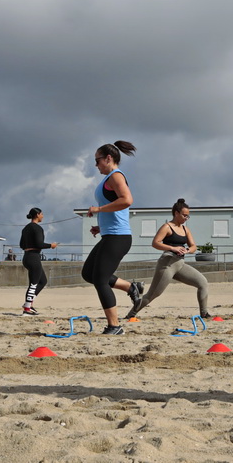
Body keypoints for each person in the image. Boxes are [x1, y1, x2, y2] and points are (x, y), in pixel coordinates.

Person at [82, 140, 144, 335]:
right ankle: (130, 287)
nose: (96, 165)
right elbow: (115, 208)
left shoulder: (115, 176)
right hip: (110, 235)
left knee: (100, 280)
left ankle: (114, 326)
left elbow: (127, 200)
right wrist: (100, 226)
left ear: (108, 158)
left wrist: (98, 209)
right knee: (88, 274)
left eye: (97, 160)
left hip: (119, 237)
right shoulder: (108, 177)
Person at [125, 199, 211, 320]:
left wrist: (187, 250)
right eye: (184, 215)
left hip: (180, 264)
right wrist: (173, 248)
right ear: (176, 213)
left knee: (203, 283)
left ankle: (204, 314)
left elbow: (193, 246)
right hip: (167, 264)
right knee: (153, 294)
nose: (187, 218)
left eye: (188, 216)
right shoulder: (167, 227)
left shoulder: (186, 229)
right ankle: (131, 314)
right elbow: (155, 243)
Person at [19, 207, 59, 315]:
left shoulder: (25, 228)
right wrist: (51, 245)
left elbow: (21, 245)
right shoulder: (37, 228)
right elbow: (39, 244)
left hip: (26, 257)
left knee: (42, 281)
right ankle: (27, 308)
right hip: (34, 257)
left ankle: (28, 303)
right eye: (42, 214)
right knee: (34, 283)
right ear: (37, 215)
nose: (43, 216)